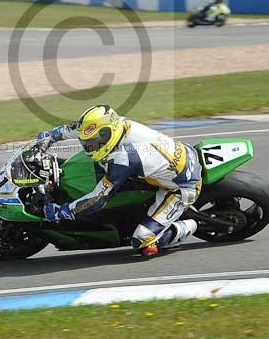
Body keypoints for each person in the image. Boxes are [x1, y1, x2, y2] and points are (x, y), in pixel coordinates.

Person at [37, 105, 200, 257]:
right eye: (87, 142)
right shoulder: (116, 124)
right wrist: (50, 136)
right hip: (171, 161)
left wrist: (62, 211)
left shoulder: (125, 157)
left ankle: (188, 225)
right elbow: (76, 129)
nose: (89, 147)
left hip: (181, 188)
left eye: (94, 142)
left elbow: (97, 199)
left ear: (108, 133)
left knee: (142, 242)